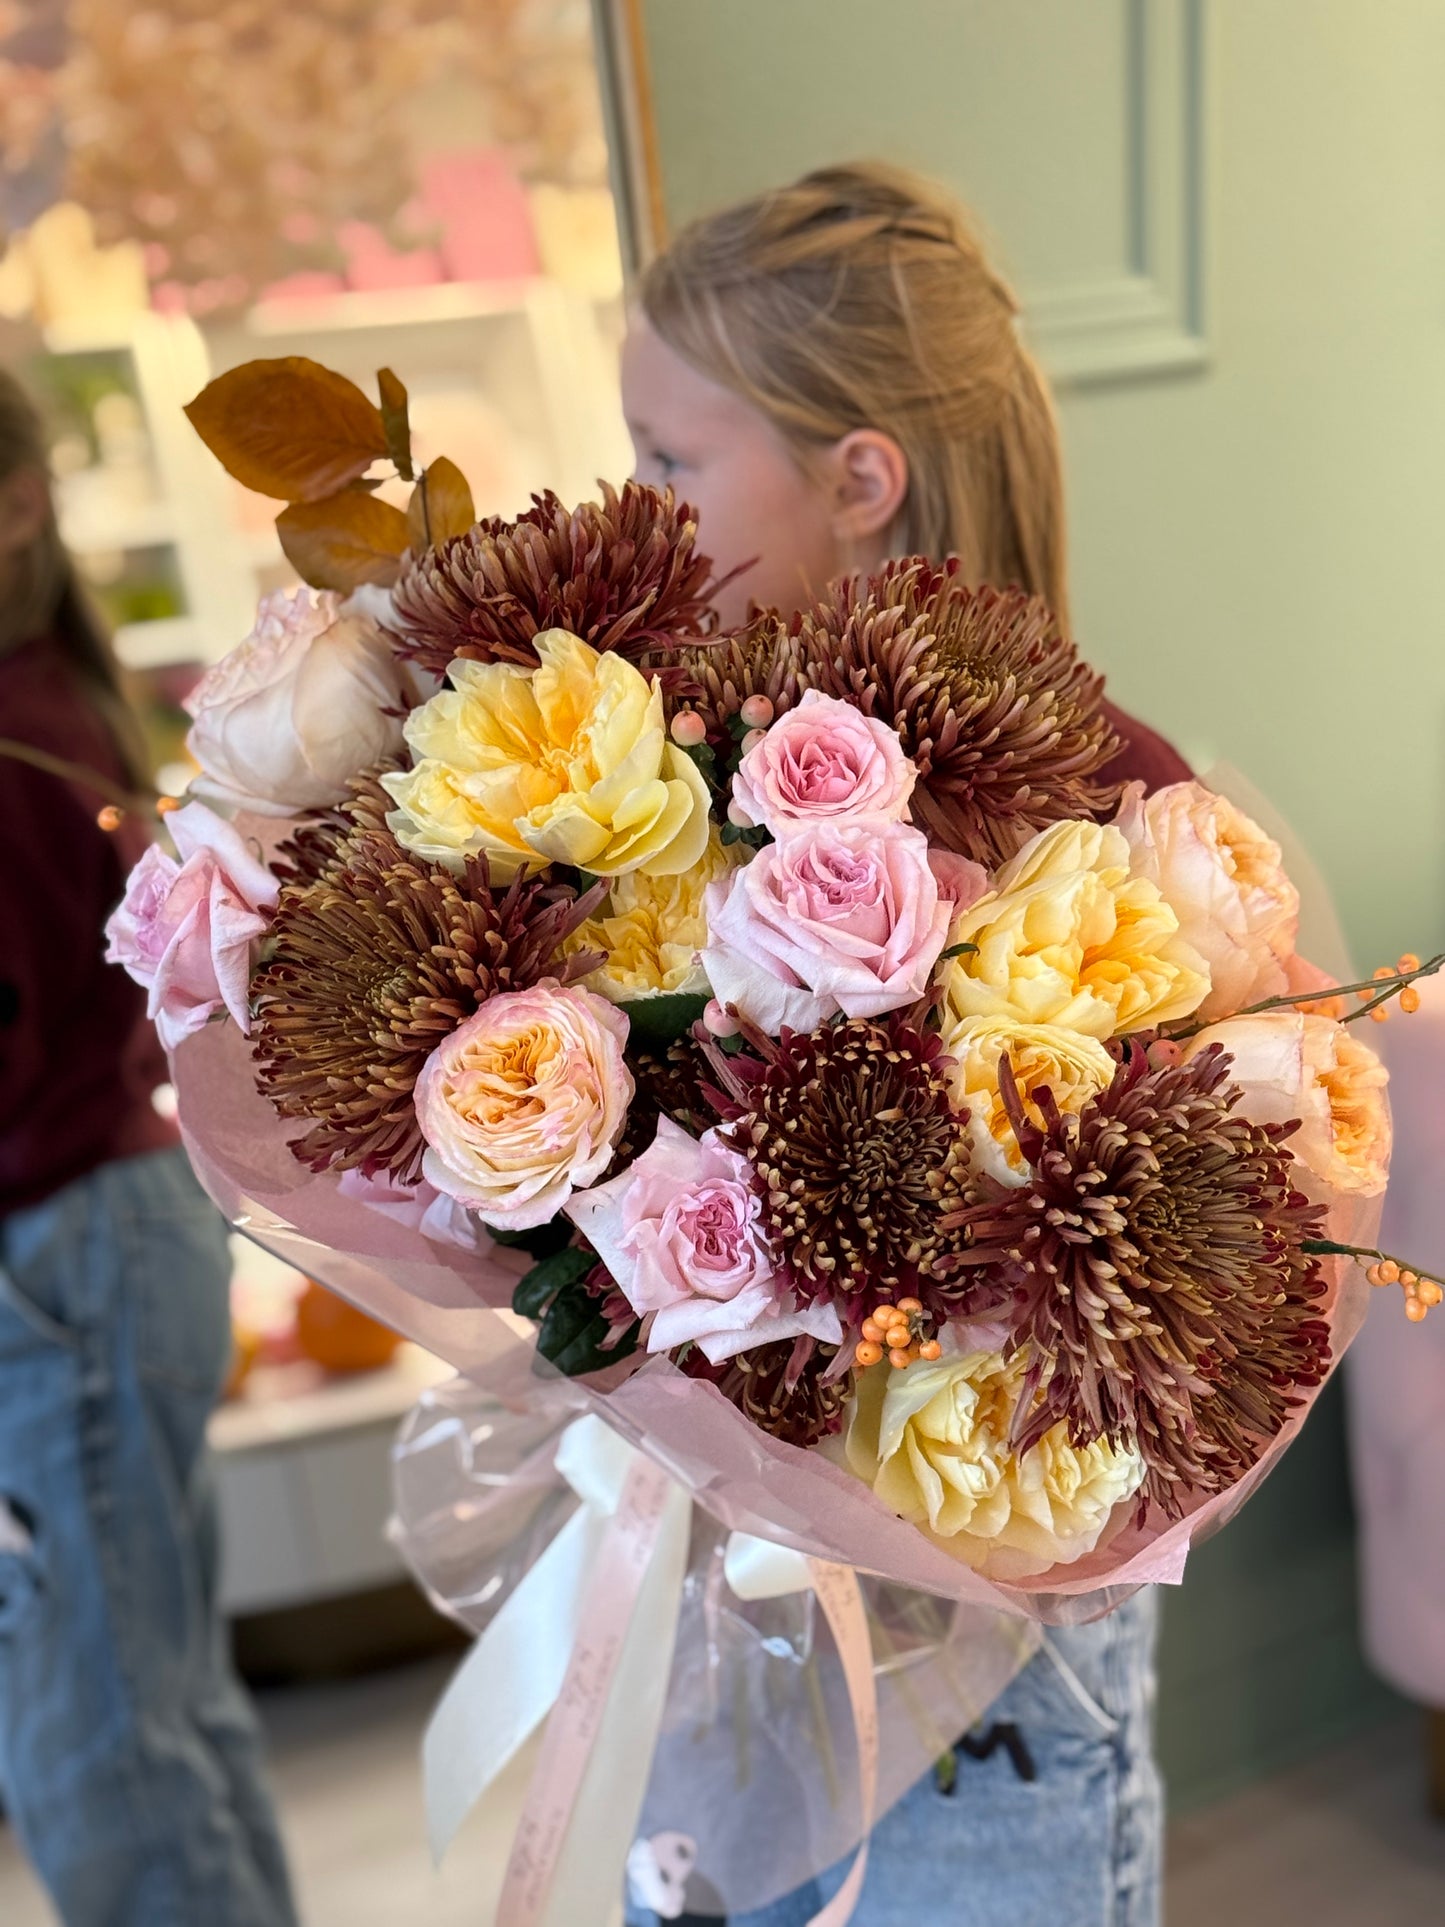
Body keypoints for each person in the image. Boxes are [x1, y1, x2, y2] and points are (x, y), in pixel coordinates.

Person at [619, 162, 1190, 1927]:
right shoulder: (664, 772)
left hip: (992, 1674)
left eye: (668, 464)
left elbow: (1185, 1291)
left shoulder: (1117, 822)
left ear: (858, 479)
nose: (632, 514)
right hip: (725, 1629)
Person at [0, 368, 299, 1927]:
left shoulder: (15, 734)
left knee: (100, 1748)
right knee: (155, 1711)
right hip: (103, 1236)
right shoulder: (53, 698)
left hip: (61, 1254)